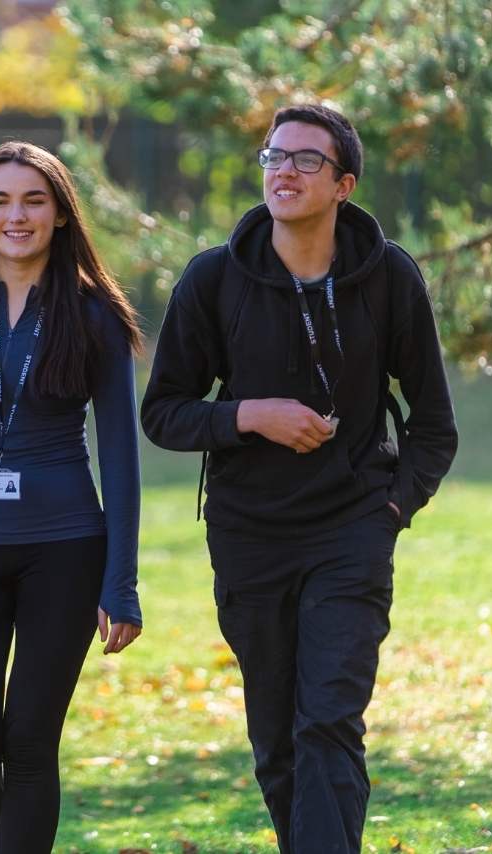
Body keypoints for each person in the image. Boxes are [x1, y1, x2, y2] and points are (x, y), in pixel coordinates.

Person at [141, 104, 459, 851]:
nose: (284, 171)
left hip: (351, 530)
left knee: (329, 723)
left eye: (306, 160)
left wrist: (391, 507)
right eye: (274, 156)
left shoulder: (389, 277)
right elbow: (163, 413)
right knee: (278, 742)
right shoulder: (215, 278)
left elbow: (434, 424)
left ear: (343, 184)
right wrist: (250, 415)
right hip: (249, 536)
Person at [0, 141, 143, 854]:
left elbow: (121, 455)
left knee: (32, 744)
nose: (17, 215)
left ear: (61, 214)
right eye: (1, 200)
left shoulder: (95, 314)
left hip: (65, 550)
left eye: (35, 200)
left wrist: (121, 582)